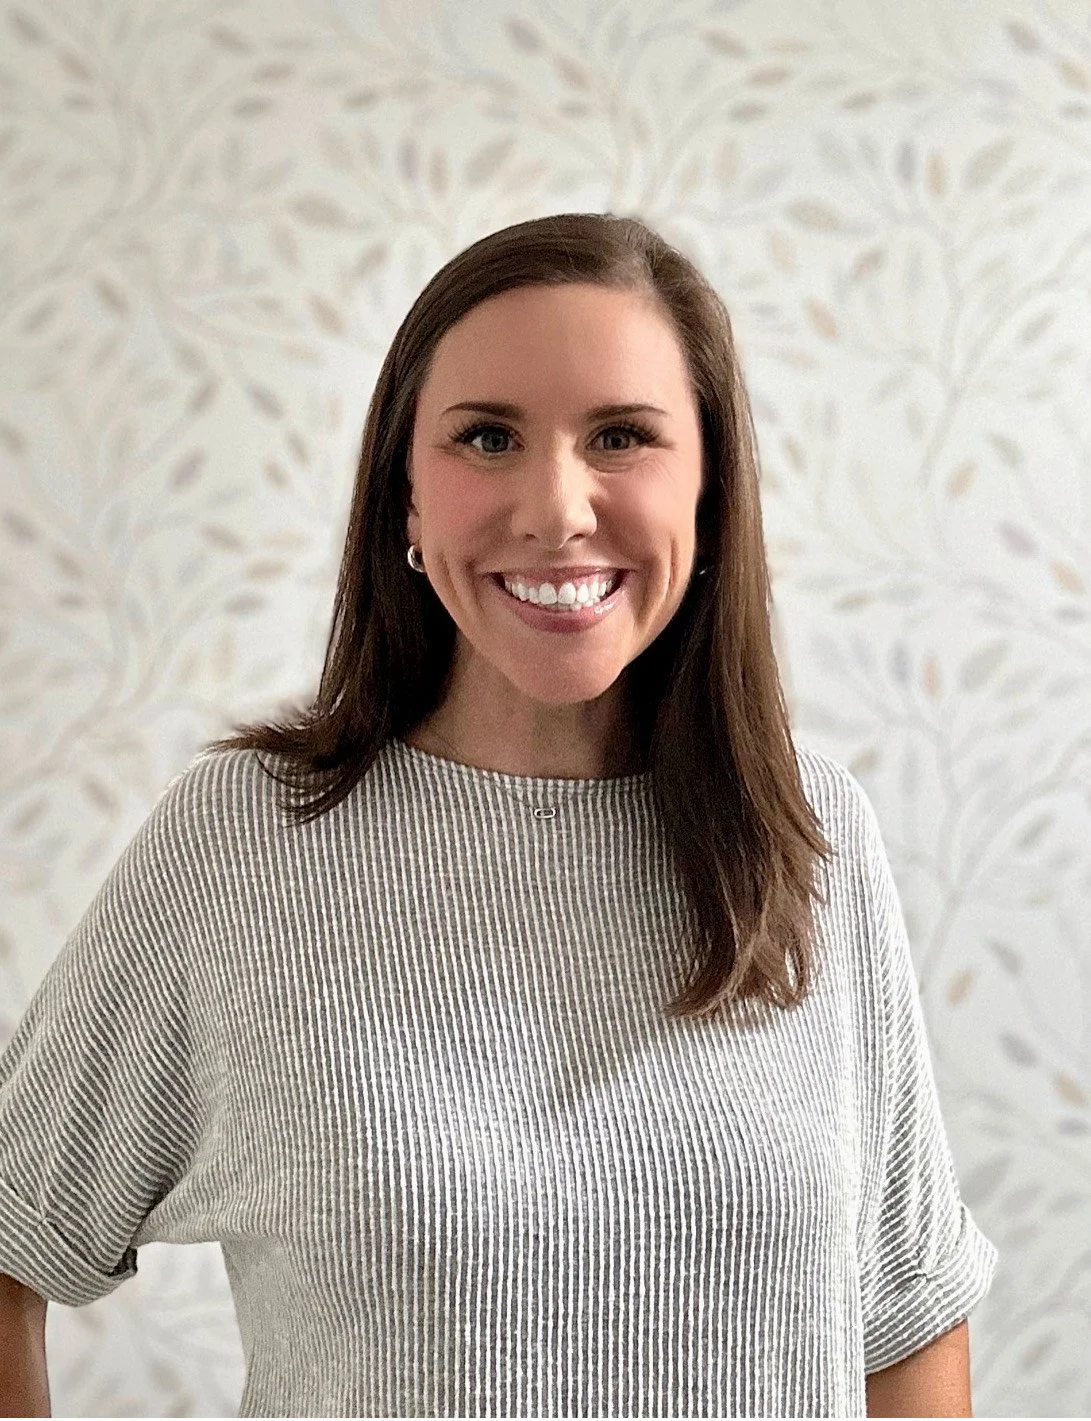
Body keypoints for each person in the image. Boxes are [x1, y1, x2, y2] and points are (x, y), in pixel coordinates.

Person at [0, 212, 997, 1418]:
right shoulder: (243, 844)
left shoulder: (808, 830)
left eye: (620, 435)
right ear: (405, 502)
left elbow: (904, 1318)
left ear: (710, 490)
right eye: (486, 437)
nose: (555, 508)